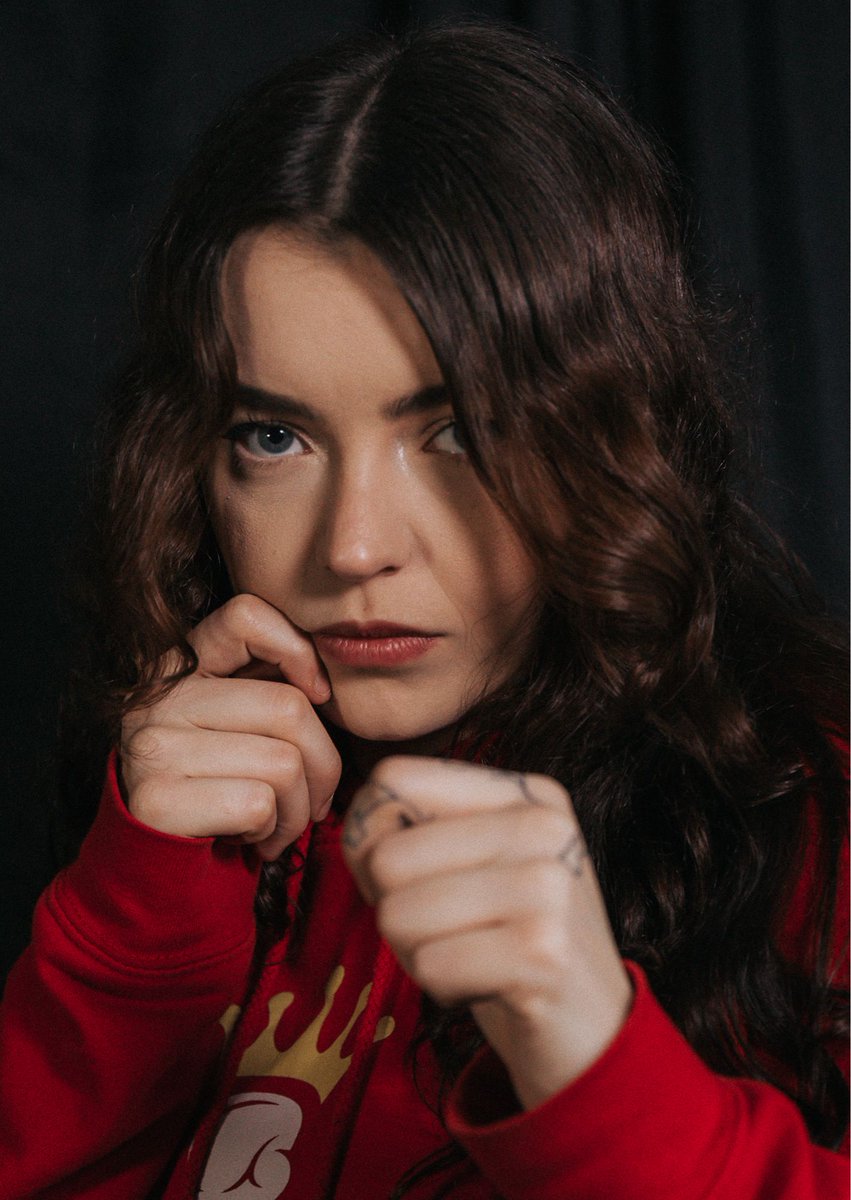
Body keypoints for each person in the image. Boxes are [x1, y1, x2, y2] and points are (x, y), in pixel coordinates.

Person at [0, 21, 847, 1200]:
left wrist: (590, 1058)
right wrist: (135, 933)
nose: (353, 547)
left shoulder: (813, 808)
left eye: (453, 434)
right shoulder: (185, 809)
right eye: (274, 436)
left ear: (604, 433)